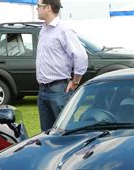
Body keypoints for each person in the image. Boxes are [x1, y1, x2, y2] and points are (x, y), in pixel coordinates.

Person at [36, 0, 88, 132]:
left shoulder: (64, 30)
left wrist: (75, 81)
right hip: (43, 90)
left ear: (47, 8)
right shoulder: (43, 29)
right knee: (46, 134)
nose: (36, 9)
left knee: (65, 132)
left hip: (58, 90)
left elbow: (81, 56)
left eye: (38, 6)